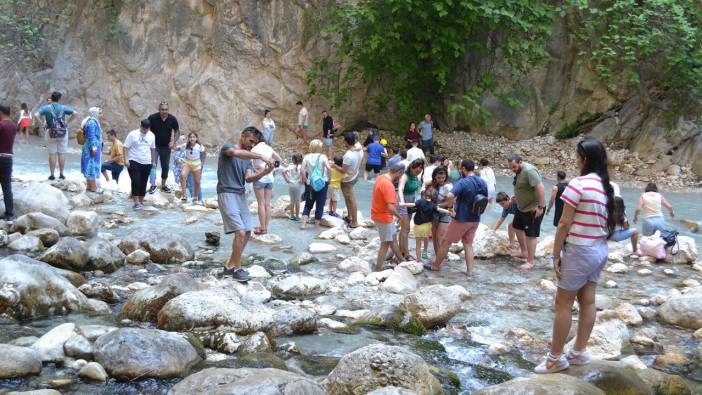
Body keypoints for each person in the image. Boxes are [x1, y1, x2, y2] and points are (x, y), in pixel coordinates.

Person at [534, 139, 615, 374]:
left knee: (563, 304)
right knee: (588, 300)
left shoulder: (578, 184)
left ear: (584, 159)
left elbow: (564, 222)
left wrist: (555, 254)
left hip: (579, 250)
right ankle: (578, 352)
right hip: (599, 250)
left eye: (577, 155)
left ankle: (555, 358)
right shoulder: (608, 186)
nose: (576, 159)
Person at [217, 126, 274, 282]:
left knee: (248, 231)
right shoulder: (228, 148)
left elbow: (248, 178)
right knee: (240, 232)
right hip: (227, 193)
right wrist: (261, 156)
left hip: (240, 194)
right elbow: (236, 153)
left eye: (254, 143)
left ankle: (229, 266)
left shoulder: (247, 160)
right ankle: (237, 268)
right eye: (250, 141)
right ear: (242, 136)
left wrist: (263, 173)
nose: (251, 145)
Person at [427, 160, 487, 275]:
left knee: (446, 242)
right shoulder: (482, 182)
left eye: (461, 168)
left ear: (463, 168)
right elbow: (485, 199)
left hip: (462, 218)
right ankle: (470, 271)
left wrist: (450, 207)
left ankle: (435, 266)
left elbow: (450, 195)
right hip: (475, 219)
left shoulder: (463, 182)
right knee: (468, 244)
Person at [508, 154, 546, 270]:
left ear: (520, 162)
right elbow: (524, 187)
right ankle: (524, 252)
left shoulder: (529, 170)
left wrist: (540, 207)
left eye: (514, 167)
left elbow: (540, 188)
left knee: (531, 234)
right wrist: (517, 197)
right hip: (521, 207)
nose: (512, 170)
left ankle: (530, 261)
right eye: (511, 167)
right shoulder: (519, 171)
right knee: (517, 227)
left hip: (532, 208)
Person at [401, 188, 453, 262]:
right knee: (426, 237)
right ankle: (425, 252)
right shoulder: (433, 205)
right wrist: (449, 212)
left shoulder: (420, 202)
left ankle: (418, 260)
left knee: (418, 244)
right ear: (434, 197)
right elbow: (439, 209)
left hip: (418, 226)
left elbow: (412, 205)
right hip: (428, 226)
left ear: (424, 195)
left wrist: (403, 204)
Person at [35, 91, 77, 180]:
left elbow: (36, 115)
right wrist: (67, 122)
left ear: (51, 98)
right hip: (62, 132)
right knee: (62, 153)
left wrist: (42, 124)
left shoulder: (46, 108)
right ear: (59, 99)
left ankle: (52, 175)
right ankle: (61, 174)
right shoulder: (63, 108)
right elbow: (75, 113)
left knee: (52, 154)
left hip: (51, 132)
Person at [371, 163, 406, 271]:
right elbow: (390, 207)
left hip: (377, 213)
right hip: (384, 217)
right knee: (385, 243)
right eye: (401, 175)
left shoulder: (380, 178)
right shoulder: (388, 185)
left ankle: (401, 260)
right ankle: (377, 269)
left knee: (392, 238)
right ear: (399, 173)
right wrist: (400, 217)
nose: (400, 178)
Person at [251, 137, 282, 234]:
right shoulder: (269, 148)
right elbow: (279, 159)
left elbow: (249, 163)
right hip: (269, 178)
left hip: (259, 178)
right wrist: (272, 169)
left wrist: (255, 170)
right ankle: (265, 227)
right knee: (267, 204)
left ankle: (262, 228)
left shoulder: (254, 149)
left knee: (261, 203)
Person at [124, 119, 157, 210]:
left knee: (144, 182)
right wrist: (126, 159)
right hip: (134, 160)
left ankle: (141, 201)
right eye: (143, 128)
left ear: (149, 128)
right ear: (141, 126)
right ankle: (136, 202)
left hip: (146, 162)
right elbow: (126, 147)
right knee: (136, 181)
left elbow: (153, 149)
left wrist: (153, 161)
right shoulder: (133, 134)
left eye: (147, 129)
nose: (145, 130)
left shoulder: (152, 135)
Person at [147, 101, 179, 194]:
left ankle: (163, 185)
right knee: (153, 165)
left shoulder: (172, 119)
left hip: (166, 147)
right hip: (154, 147)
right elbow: (146, 129)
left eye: (166, 109)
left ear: (168, 110)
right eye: (162, 109)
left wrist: (173, 141)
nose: (164, 111)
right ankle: (153, 185)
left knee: (165, 167)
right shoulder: (152, 118)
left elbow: (177, 131)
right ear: (159, 110)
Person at [300, 139, 331, 229]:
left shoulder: (307, 157)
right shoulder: (323, 157)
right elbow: (329, 168)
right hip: (322, 183)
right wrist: (330, 179)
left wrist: (305, 179)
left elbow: (302, 170)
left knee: (308, 205)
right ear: (319, 148)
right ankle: (317, 226)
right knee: (320, 205)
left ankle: (303, 224)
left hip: (310, 184)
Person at [398, 159, 424, 260]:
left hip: (411, 202)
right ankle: (406, 253)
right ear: (412, 167)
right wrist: (402, 203)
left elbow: (419, 189)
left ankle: (401, 251)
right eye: (417, 170)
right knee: (406, 229)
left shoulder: (415, 177)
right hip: (403, 202)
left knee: (404, 229)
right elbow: (400, 189)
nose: (419, 171)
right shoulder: (405, 176)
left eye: (421, 170)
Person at [337, 132, 364, 228]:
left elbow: (343, 170)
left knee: (351, 199)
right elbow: (361, 147)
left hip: (347, 179)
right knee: (348, 198)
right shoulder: (358, 148)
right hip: (354, 174)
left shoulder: (348, 155)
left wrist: (334, 165)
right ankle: (349, 217)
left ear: (346, 142)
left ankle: (355, 222)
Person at [428, 167, 454, 259]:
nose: (441, 180)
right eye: (439, 178)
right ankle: (438, 257)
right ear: (434, 177)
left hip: (445, 212)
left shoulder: (448, 187)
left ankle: (441, 257)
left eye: (443, 177)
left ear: (446, 177)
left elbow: (451, 202)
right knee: (434, 236)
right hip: (434, 213)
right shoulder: (432, 185)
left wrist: (438, 205)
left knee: (441, 236)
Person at [174, 132, 206, 204]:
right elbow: (177, 149)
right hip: (187, 162)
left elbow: (204, 153)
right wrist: (172, 146)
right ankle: (184, 195)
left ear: (196, 138)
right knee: (182, 175)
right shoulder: (186, 145)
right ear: (188, 138)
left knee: (197, 182)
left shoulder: (199, 146)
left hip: (196, 163)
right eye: (190, 137)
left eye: (193, 137)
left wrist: (202, 162)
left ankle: (195, 197)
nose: (192, 138)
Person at [0, 105, 16, 224]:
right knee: (6, 187)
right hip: (8, 158)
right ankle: (9, 216)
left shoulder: (1, 125)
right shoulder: (13, 125)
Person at [80, 107, 103, 192]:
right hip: (92, 148)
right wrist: (93, 147)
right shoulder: (92, 123)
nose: (101, 115)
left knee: (89, 166)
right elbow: (91, 136)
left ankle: (89, 187)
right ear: (95, 113)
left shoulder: (91, 121)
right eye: (100, 113)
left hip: (90, 147)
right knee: (92, 167)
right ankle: (93, 188)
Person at [282, 153, 305, 221]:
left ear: (293, 160)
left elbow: (283, 172)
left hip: (291, 184)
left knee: (292, 201)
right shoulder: (301, 167)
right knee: (297, 201)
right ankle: (297, 216)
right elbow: (303, 174)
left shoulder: (290, 166)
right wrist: (302, 181)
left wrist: (287, 180)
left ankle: (292, 216)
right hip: (298, 185)